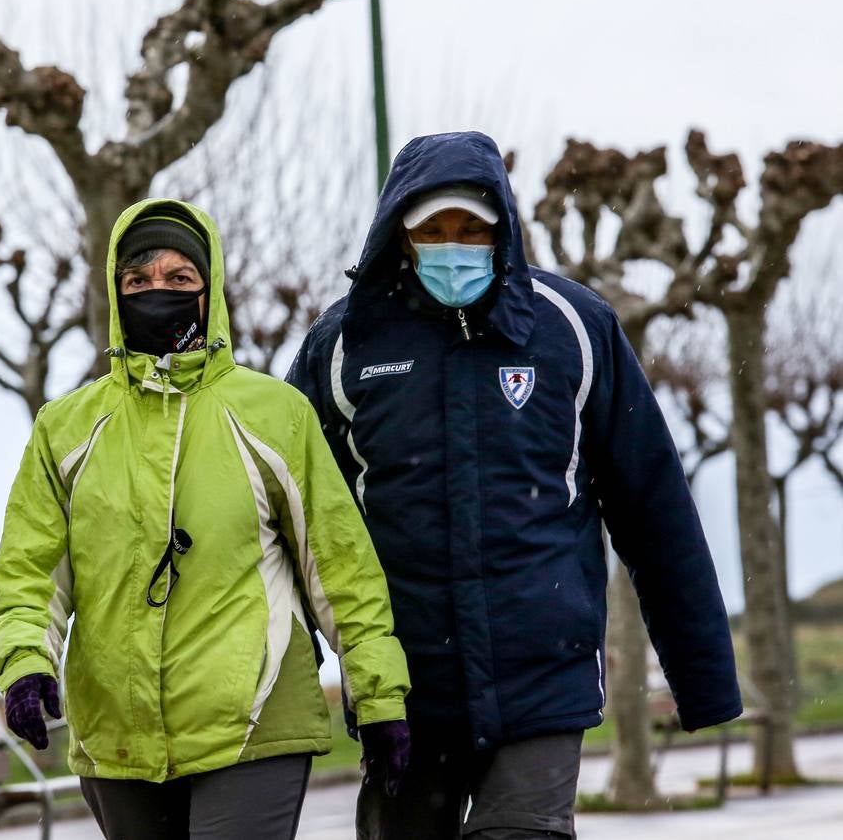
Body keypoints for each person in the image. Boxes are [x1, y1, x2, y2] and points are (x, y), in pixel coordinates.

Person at [287, 132, 743, 839]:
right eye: (432, 229)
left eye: (472, 227)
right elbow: (300, 520)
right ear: (398, 237)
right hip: (403, 690)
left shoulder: (574, 329)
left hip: (543, 677)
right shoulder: (343, 345)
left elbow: (654, 510)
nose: (453, 243)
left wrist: (703, 678)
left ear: (503, 227)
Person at [0, 199, 412, 840]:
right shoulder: (65, 428)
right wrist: (24, 663)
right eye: (138, 281)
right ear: (114, 290)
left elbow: (342, 569)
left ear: (209, 290)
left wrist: (377, 693)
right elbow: (30, 572)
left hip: (252, 722)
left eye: (179, 279)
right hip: (117, 736)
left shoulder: (276, 414)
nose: (157, 292)